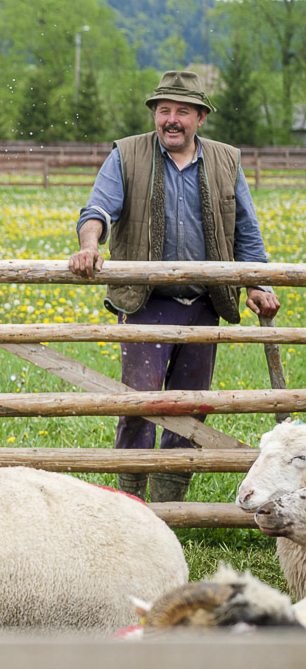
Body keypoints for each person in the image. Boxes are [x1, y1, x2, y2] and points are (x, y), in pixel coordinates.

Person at [68, 70, 280, 503]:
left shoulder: (226, 160)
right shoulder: (127, 154)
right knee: (139, 403)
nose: (171, 119)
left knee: (190, 407)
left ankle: (169, 506)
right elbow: (98, 209)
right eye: (163, 110)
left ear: (200, 117)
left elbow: (246, 230)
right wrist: (89, 246)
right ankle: (126, 501)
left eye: (182, 111)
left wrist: (256, 282)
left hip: (204, 301)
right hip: (147, 300)